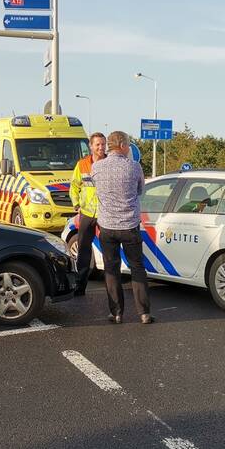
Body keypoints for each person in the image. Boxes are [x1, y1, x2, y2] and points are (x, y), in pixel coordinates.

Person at [90, 130, 152, 324]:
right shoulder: (134, 167)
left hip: (107, 227)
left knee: (111, 269)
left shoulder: (96, 167)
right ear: (124, 145)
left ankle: (116, 313)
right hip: (130, 226)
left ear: (109, 146)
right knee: (137, 268)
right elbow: (140, 190)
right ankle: (144, 313)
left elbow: (96, 188)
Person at [70, 132, 106, 295]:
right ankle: (80, 285)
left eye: (103, 144)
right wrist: (76, 204)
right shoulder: (83, 164)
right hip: (86, 213)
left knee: (109, 249)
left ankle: (111, 286)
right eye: (97, 144)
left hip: (105, 213)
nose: (101, 147)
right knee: (84, 251)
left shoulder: (108, 163)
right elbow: (74, 186)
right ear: (91, 146)